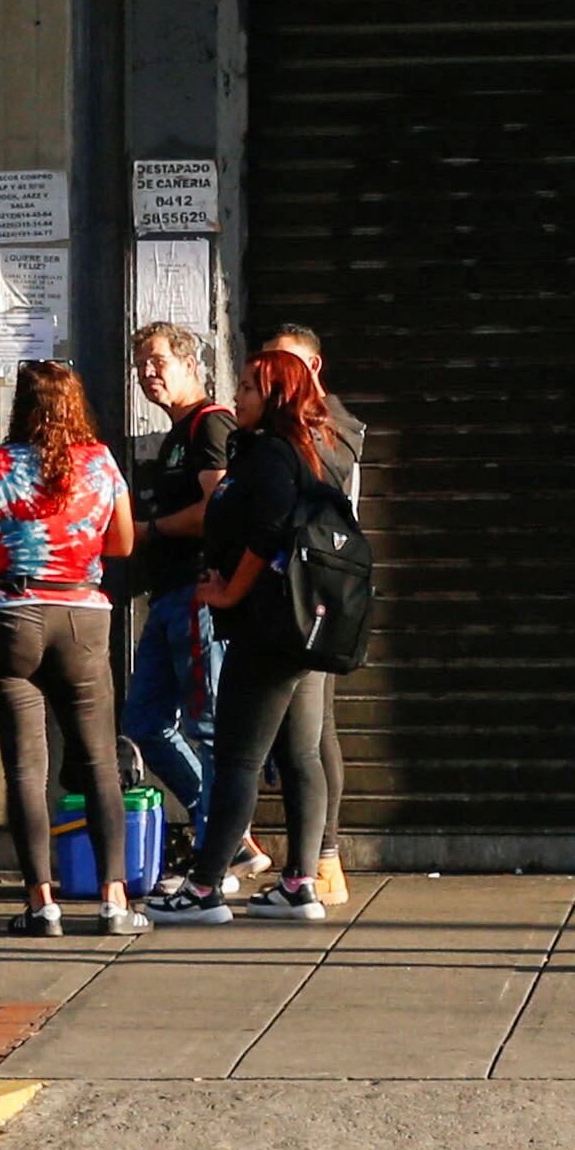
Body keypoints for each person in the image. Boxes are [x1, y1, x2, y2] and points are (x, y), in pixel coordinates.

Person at [0, 359, 141, 937]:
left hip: (9, 618)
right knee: (100, 762)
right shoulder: (102, 463)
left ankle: (42, 905)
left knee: (26, 770)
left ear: (20, 407)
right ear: (75, 405)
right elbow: (123, 544)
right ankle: (113, 900)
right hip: (82, 615)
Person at [146, 350, 338, 924]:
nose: (240, 397)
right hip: (305, 624)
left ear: (276, 394)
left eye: (251, 387)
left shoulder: (271, 455)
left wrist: (229, 593)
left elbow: (270, 533)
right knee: (300, 754)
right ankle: (300, 882)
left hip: (269, 626)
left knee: (236, 757)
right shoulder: (310, 450)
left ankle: (204, 890)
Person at [120, 322, 236, 870]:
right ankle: (224, 831)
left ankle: (219, 848)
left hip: (196, 593)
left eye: (158, 362)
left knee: (208, 725)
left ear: (191, 365)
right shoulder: (175, 434)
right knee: (144, 722)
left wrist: (152, 530)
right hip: (167, 595)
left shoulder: (210, 428)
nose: (147, 374)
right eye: (140, 365)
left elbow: (218, 508)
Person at [264, 322, 361, 906]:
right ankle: (318, 863)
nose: (274, 379)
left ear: (312, 370)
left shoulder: (331, 429)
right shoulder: (291, 430)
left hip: (318, 591)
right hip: (309, 591)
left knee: (312, 734)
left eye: (285, 367)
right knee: (307, 734)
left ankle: (321, 861)